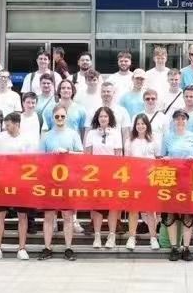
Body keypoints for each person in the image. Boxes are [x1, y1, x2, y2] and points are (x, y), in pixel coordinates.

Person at [39, 105, 84, 260]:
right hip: (50, 180)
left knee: (68, 216)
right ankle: (47, 247)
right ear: (52, 118)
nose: (59, 119)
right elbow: (39, 158)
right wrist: (50, 155)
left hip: (68, 180)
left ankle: (68, 248)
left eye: (62, 116)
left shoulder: (73, 134)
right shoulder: (46, 136)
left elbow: (81, 154)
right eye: (57, 116)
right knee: (48, 216)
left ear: (66, 117)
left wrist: (68, 153)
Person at [0, 111, 33, 260]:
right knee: (0, 214)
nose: (6, 128)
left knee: (22, 215)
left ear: (16, 124)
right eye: (5, 125)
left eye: (8, 125)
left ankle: (22, 248)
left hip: (21, 182)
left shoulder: (27, 139)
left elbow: (31, 161)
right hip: (3, 181)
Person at [158, 110, 193, 261]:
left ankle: (186, 247)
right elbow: (161, 157)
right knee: (171, 214)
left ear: (187, 121)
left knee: (187, 215)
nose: (180, 121)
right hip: (171, 180)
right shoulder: (167, 137)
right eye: (177, 118)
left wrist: (192, 161)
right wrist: (166, 159)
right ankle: (174, 248)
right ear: (173, 121)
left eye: (183, 118)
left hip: (188, 180)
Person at [84, 105, 123, 249]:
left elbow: (118, 156)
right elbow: (88, 155)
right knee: (97, 207)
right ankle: (97, 236)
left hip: (111, 176)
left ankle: (111, 236)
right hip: (95, 176)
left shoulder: (116, 133)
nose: (103, 118)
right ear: (97, 118)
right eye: (101, 116)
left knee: (112, 206)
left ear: (110, 118)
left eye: (106, 116)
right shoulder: (91, 133)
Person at [123, 113, 160, 251]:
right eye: (138, 124)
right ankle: (132, 237)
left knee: (151, 210)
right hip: (134, 180)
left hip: (150, 180)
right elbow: (126, 161)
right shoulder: (129, 141)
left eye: (143, 123)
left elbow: (158, 159)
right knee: (133, 210)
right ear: (135, 126)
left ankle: (153, 237)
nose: (140, 126)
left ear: (147, 125)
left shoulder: (154, 140)